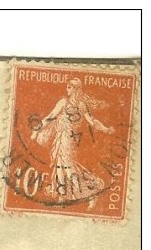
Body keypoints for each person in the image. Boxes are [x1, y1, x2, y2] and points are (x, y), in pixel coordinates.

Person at [30, 77, 115, 209]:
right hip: (59, 138)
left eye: (70, 87)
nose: (67, 89)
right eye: (67, 87)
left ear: (76, 89)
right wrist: (36, 131)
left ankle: (90, 194)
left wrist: (105, 129)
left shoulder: (81, 105)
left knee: (69, 168)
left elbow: (92, 121)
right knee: (59, 167)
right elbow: (50, 117)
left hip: (70, 140)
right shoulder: (63, 102)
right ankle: (61, 196)